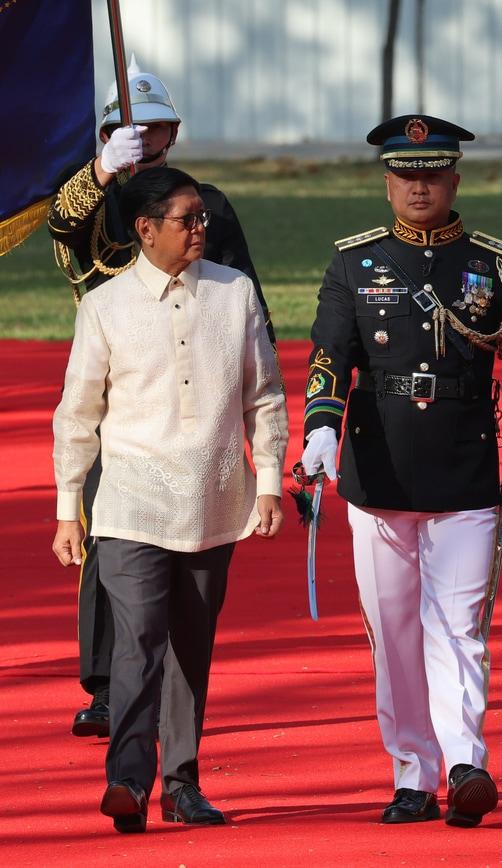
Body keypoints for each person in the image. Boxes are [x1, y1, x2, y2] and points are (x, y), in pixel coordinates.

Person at [298, 115, 502, 828]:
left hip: (464, 466)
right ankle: (413, 773)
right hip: (379, 470)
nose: (420, 188)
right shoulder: (354, 265)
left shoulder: (494, 267)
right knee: (394, 634)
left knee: (458, 626)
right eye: (406, 176)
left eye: (433, 175)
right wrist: (321, 426)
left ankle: (467, 762)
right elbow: (329, 353)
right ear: (387, 184)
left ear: (455, 181)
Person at [50, 166, 288, 833]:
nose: (199, 229)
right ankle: (128, 780)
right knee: (137, 642)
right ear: (146, 228)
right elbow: (77, 414)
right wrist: (68, 508)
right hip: (130, 502)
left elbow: (264, 393)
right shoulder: (105, 306)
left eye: (202, 217)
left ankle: (182, 786)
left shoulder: (235, 292)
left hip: (214, 501)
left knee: (191, 648)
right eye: (187, 219)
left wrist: (269, 478)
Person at [46, 61, 271, 740]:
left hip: (191, 381)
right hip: (121, 385)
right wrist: (101, 173)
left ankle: (171, 685)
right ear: (108, 135)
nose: (143, 138)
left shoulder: (206, 204)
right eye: (129, 129)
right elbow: (62, 229)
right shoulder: (100, 198)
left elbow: (244, 290)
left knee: (189, 545)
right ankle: (106, 686)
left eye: (155, 128)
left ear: (174, 132)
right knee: (109, 538)